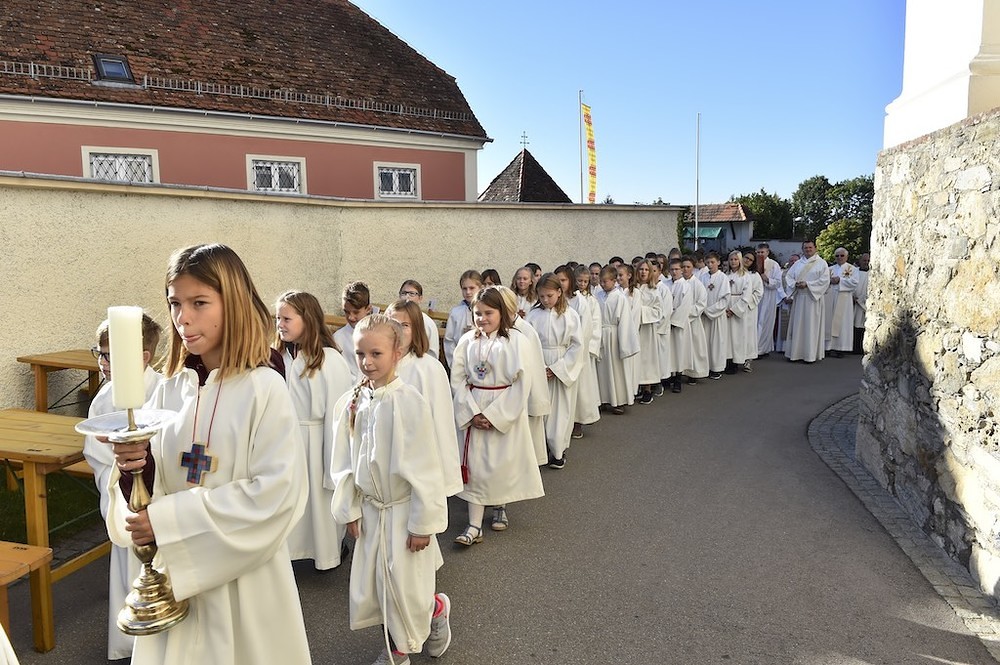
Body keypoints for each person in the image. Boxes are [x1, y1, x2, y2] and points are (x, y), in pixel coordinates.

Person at [107, 243, 310, 665]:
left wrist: (166, 521)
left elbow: (276, 495)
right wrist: (132, 470)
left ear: (232, 302)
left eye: (199, 303)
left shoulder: (263, 388)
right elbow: (151, 486)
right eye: (175, 303)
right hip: (174, 588)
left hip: (246, 589)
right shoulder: (169, 388)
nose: (183, 317)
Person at [329, 315, 451, 665]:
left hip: (403, 511)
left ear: (397, 353)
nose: (367, 362)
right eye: (360, 353)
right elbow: (343, 461)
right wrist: (349, 508)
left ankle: (421, 624)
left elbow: (425, 467)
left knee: (405, 588)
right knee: (379, 586)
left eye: (376, 354)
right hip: (372, 510)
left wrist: (422, 524)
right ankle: (406, 638)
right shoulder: (352, 402)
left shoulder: (409, 402)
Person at [83, 313, 162, 661]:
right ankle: (129, 645)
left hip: (156, 499)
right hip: (121, 495)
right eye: (99, 354)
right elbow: (97, 454)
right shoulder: (103, 398)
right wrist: (117, 474)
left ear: (143, 357)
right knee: (128, 568)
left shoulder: (162, 391)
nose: (102, 363)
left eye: (110, 355)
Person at [451, 287, 544, 544]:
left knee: (500, 464)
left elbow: (522, 382)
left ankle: (500, 507)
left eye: (488, 313)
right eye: (477, 313)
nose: (482, 318)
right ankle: (474, 525)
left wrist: (495, 415)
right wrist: (472, 412)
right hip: (474, 406)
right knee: (476, 468)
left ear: (502, 312)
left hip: (503, 409)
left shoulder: (517, 341)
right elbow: (457, 379)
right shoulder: (467, 341)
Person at [274, 290, 354, 571]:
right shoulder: (278, 357)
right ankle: (289, 555)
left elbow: (337, 414)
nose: (280, 324)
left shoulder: (329, 360)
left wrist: (334, 467)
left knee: (317, 503)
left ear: (307, 319)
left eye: (286, 319)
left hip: (317, 442)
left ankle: (326, 553)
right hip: (284, 440)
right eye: (277, 318)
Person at [385, 300, 464, 498]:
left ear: (417, 330)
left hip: (418, 457)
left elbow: (441, 425)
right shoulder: (377, 365)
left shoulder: (429, 368)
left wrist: (445, 479)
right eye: (393, 324)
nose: (398, 330)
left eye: (405, 325)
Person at [527, 273, 583, 469]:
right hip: (539, 363)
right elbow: (527, 343)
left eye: (549, 295)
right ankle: (539, 449)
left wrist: (557, 369)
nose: (545, 300)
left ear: (559, 292)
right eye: (541, 296)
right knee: (539, 408)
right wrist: (540, 368)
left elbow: (577, 346)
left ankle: (558, 450)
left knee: (560, 411)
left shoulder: (570, 315)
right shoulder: (533, 315)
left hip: (561, 364)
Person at [594, 265, 639, 412]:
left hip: (614, 336)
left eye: (605, 281)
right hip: (601, 333)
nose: (602, 284)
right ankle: (603, 399)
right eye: (601, 281)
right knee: (602, 370)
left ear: (614, 281)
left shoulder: (620, 297)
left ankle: (619, 401)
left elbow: (625, 321)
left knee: (616, 370)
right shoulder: (598, 296)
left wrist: (624, 344)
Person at [784, 240, 829, 362]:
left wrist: (808, 284)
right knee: (797, 327)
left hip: (812, 299)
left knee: (811, 327)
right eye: (805, 248)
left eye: (810, 247)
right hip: (799, 298)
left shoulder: (821, 263)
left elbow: (824, 280)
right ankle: (796, 354)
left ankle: (810, 355)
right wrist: (795, 284)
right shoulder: (798, 263)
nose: (808, 250)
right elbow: (789, 277)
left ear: (815, 248)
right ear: (802, 249)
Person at [570, 266, 602, 436]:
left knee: (581, 388)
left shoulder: (591, 301)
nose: (582, 284)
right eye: (579, 281)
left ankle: (578, 421)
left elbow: (595, 324)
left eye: (585, 281)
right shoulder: (569, 298)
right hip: (567, 347)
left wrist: (589, 347)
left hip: (583, 348)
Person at [633, 259, 662, 404]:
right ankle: (635, 387)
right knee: (635, 357)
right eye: (641, 269)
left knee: (646, 359)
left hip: (646, 329)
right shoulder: (632, 289)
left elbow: (658, 311)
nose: (643, 272)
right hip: (633, 329)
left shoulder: (654, 290)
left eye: (646, 270)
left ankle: (647, 389)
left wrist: (640, 311)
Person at [699, 252, 731, 380]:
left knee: (717, 342)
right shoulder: (702, 277)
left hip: (717, 315)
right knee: (705, 341)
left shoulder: (723, 278)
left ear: (718, 262)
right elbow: (699, 295)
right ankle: (705, 366)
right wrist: (702, 309)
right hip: (704, 315)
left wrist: (710, 310)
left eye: (712, 262)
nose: (710, 265)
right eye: (707, 262)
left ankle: (717, 368)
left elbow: (725, 298)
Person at [335, 281, 375, 381]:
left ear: (368, 309)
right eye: (346, 312)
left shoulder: (379, 334)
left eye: (356, 312)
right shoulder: (338, 338)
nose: (351, 317)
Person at [825, 247, 859, 358]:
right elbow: (822, 281)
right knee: (828, 321)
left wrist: (840, 280)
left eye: (842, 255)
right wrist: (830, 281)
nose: (839, 257)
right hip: (830, 297)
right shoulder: (829, 269)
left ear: (846, 257)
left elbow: (855, 283)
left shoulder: (852, 269)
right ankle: (827, 347)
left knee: (843, 323)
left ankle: (840, 348)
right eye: (837, 256)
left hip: (844, 297)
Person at [443, 270, 482, 369]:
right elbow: (449, 340)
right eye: (464, 288)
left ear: (480, 288)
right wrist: (455, 364)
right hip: (459, 361)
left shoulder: (486, 311)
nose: (468, 292)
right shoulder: (456, 312)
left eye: (472, 288)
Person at [666, 259, 693, 393]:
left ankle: (678, 377)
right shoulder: (665, 284)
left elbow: (685, 306)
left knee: (679, 350)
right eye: (672, 269)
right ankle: (668, 376)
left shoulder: (686, 286)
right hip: (666, 322)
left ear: (682, 270)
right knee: (669, 350)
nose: (674, 272)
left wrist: (674, 321)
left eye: (677, 269)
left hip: (678, 323)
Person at [682, 256, 709, 384]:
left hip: (692, 321)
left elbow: (701, 303)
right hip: (679, 322)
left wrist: (686, 313)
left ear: (693, 268)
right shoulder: (678, 283)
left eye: (688, 267)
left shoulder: (697, 284)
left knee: (694, 347)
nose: (685, 269)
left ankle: (693, 373)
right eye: (683, 267)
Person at [397, 280, 440, 360]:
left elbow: (432, 353)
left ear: (420, 298)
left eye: (412, 294)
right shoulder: (392, 316)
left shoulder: (427, 322)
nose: (407, 297)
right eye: (404, 293)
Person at [754, 243, 784, 356]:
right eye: (758, 252)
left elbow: (778, 282)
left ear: (767, 252)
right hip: (756, 296)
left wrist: (767, 279)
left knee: (765, 321)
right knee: (756, 321)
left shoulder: (774, 265)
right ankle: (757, 347)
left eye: (762, 252)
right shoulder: (754, 263)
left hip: (768, 296)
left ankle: (761, 349)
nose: (760, 254)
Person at [853, 253, 870, 354]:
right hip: (853, 302)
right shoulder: (854, 272)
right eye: (864, 260)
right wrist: (852, 296)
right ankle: (853, 348)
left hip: (864, 303)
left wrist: (862, 299)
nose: (866, 263)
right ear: (860, 261)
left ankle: (861, 348)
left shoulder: (872, 273)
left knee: (862, 325)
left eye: (868, 261)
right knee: (853, 325)